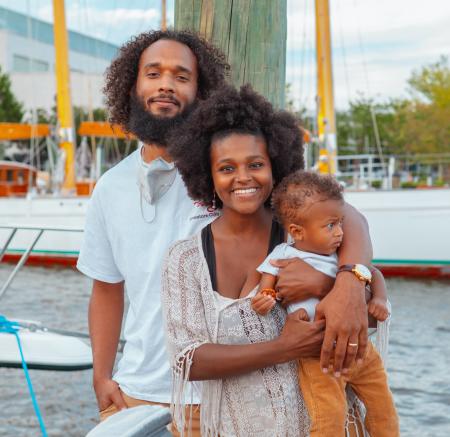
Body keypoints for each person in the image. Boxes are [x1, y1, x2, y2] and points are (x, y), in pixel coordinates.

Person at [162, 84, 376, 436]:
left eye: (256, 164)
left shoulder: (306, 236)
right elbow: (187, 360)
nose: (243, 177)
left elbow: (364, 317)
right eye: (226, 168)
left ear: (276, 165)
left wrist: (338, 284)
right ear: (207, 176)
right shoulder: (185, 259)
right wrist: (283, 347)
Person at [76, 29, 229, 435]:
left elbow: (332, 211)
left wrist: (357, 275)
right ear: (133, 85)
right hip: (132, 394)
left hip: (218, 397)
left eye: (182, 76)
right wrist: (102, 376)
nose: (166, 84)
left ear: (201, 90)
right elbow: (107, 288)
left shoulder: (232, 171)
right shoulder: (110, 186)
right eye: (154, 73)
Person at [250, 170, 399, 436]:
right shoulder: (284, 254)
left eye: (341, 223)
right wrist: (266, 298)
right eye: (331, 226)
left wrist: (379, 298)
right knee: (328, 416)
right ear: (297, 231)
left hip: (360, 349)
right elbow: (267, 283)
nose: (341, 232)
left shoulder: (341, 256)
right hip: (319, 357)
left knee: (383, 407)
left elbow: (372, 273)